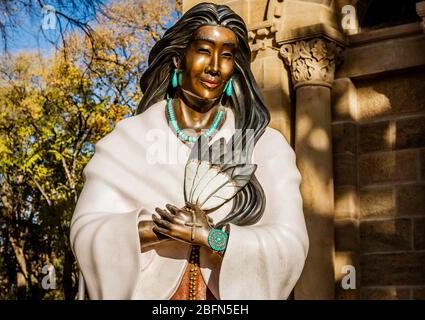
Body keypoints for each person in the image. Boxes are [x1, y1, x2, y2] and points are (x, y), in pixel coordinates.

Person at [70, 2, 308, 300]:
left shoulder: (266, 148)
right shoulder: (128, 141)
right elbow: (87, 232)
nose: (214, 66)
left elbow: (291, 245)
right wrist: (160, 229)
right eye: (205, 50)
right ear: (177, 60)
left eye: (227, 55)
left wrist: (211, 238)